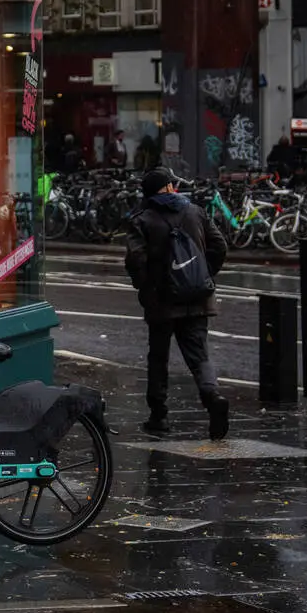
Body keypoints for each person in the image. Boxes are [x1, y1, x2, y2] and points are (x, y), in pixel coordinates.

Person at [123, 168, 230, 440]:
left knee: (158, 357)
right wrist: (203, 276)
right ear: (169, 188)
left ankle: (158, 416)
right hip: (197, 297)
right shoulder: (195, 212)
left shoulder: (142, 219)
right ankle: (212, 395)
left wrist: (144, 286)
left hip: (161, 301)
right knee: (199, 354)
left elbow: (136, 259)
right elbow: (220, 246)